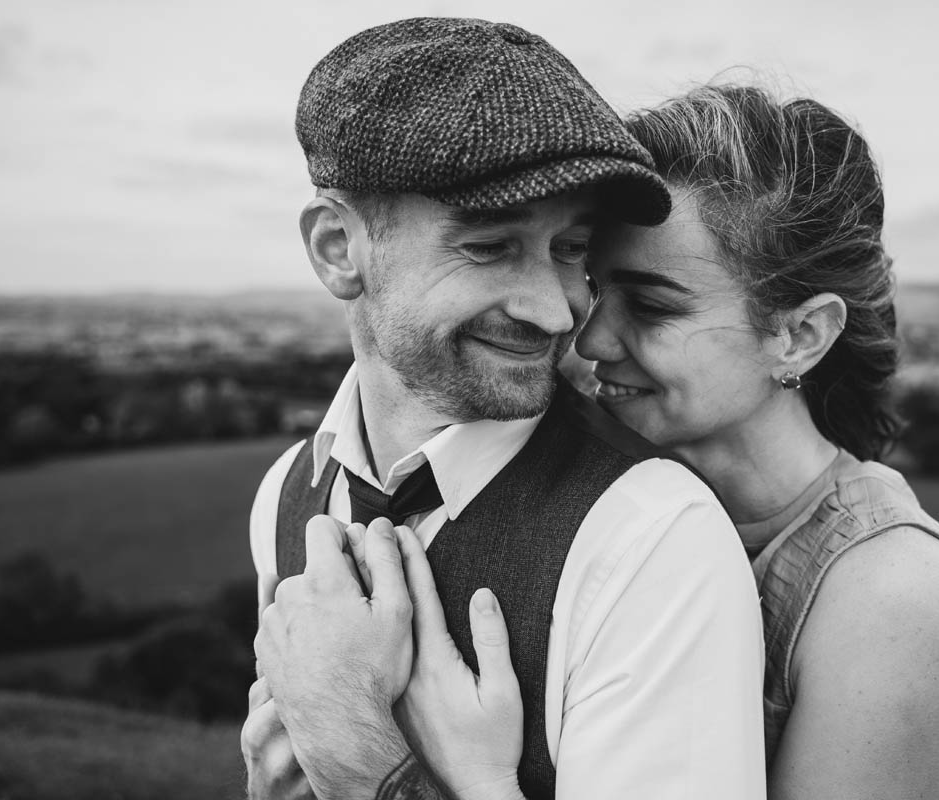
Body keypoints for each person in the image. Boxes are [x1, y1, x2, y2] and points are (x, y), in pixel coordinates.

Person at [386, 84, 939, 800]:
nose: (588, 337)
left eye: (650, 305)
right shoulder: (584, 486)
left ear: (799, 335)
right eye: (594, 287)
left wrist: (462, 779)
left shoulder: (894, 594)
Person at [243, 18, 766, 800]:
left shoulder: (651, 542)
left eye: (571, 250)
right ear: (336, 248)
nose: (557, 313)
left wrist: (359, 754)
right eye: (490, 246)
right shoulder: (285, 493)